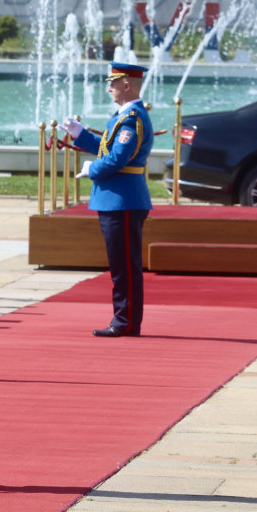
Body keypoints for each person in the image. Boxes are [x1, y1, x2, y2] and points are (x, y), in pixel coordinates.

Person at [63, 62, 153, 337]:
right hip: (116, 199)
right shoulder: (124, 116)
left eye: (113, 82)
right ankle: (124, 318)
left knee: (124, 266)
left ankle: (125, 321)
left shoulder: (133, 119)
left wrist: (92, 169)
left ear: (127, 84)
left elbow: (116, 158)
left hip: (123, 199)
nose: (109, 87)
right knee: (120, 265)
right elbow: (106, 147)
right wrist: (80, 135)